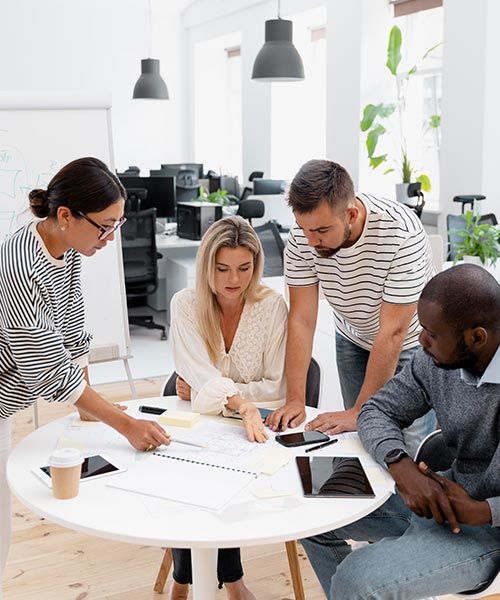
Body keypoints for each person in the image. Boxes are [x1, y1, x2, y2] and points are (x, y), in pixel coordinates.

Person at [0, 157, 171, 598]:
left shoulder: (68, 251)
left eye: (118, 224)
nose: (111, 238)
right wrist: (123, 422)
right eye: (105, 226)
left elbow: (73, 336)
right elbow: (47, 370)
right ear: (65, 216)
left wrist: (94, 416)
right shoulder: (17, 264)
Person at [301, 264, 500, 599]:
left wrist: (483, 511)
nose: (420, 341)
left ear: (476, 337)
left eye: (431, 334)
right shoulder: (434, 360)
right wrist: (402, 466)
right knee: (312, 509)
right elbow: (376, 411)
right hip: (439, 500)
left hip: (488, 533)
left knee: (355, 580)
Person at [266, 159, 436, 455]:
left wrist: (360, 409)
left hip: (409, 344)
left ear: (352, 214)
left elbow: (393, 332)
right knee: (363, 440)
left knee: (407, 449)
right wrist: (295, 398)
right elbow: (302, 320)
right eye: (304, 229)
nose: (310, 241)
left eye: (320, 230)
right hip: (353, 336)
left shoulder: (401, 234)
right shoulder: (303, 236)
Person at [168, 215, 287, 600]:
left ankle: (185, 582)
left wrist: (209, 393)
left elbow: (276, 388)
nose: (233, 279)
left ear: (257, 265)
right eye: (221, 269)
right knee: (187, 474)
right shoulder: (185, 304)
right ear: (207, 266)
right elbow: (198, 375)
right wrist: (238, 402)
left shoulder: (272, 307)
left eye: (244, 268)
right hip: (207, 421)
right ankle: (224, 580)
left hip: (248, 427)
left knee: (225, 474)